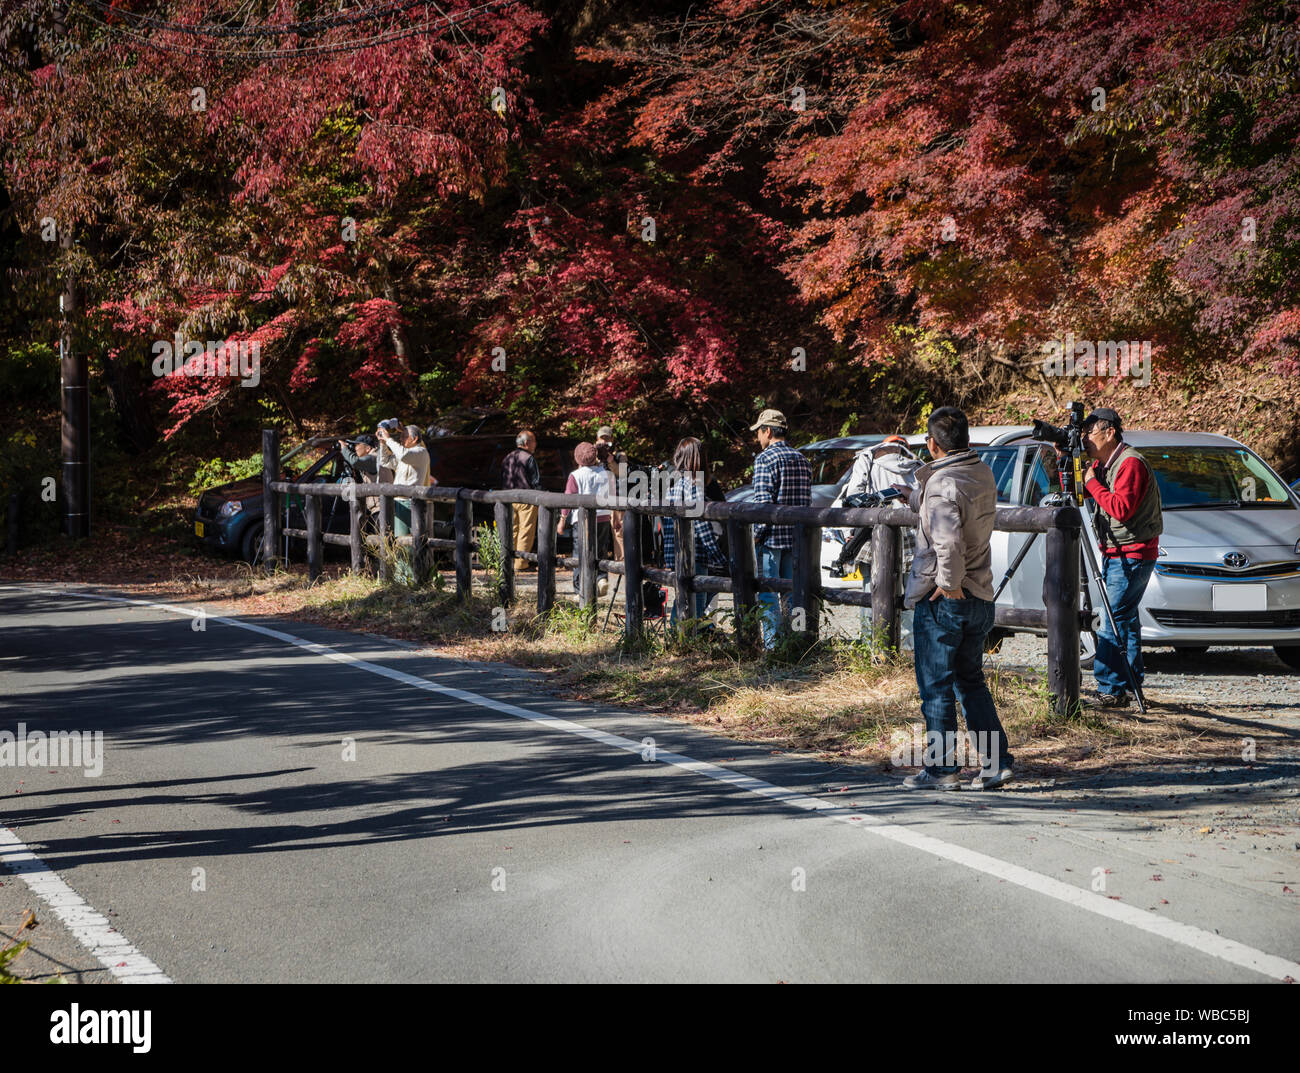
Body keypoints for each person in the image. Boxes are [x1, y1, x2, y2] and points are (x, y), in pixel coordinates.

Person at [900, 406, 1013, 791]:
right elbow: (956, 510)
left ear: (933, 444)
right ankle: (996, 763)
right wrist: (915, 498)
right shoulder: (981, 473)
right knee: (970, 680)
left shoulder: (941, 485)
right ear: (966, 440)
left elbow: (947, 540)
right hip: (981, 592)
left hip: (945, 597)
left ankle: (940, 769)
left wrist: (948, 583)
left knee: (936, 685)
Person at [1080, 407, 1163, 708]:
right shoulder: (1106, 465)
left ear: (1110, 432)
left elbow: (1121, 508)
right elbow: (1081, 494)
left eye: (1090, 433)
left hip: (1132, 554)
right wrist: (1073, 467)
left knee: (1111, 621)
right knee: (1125, 620)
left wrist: (1091, 481)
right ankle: (1129, 685)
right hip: (1119, 551)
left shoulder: (1130, 464)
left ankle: (1110, 690)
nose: (1086, 439)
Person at [841, 435, 922, 636]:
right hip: (911, 536)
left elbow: (853, 497)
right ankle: (906, 649)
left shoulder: (868, 459)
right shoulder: (918, 464)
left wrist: (848, 533)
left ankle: (872, 643)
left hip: (873, 533)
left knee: (872, 591)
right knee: (907, 595)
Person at [748, 408, 812, 649]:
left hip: (772, 538)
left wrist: (755, 536)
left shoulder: (765, 459)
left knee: (767, 593)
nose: (757, 438)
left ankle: (773, 645)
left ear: (767, 431)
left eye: (759, 432)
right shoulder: (802, 460)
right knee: (793, 593)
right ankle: (794, 642)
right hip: (795, 538)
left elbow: (763, 506)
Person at [661, 437, 728, 625]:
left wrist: (668, 556)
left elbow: (667, 522)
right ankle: (685, 641)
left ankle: (677, 640)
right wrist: (716, 555)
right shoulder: (694, 482)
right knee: (695, 604)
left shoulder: (673, 482)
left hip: (676, 551)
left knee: (682, 600)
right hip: (695, 552)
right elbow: (700, 523)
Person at [556, 442, 614, 598]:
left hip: (582, 519)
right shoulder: (606, 473)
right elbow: (613, 497)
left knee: (579, 552)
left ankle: (580, 588)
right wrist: (615, 518)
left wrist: (562, 520)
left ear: (577, 459)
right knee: (601, 550)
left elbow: (568, 499)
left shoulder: (575, 476)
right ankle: (601, 578)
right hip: (603, 517)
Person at [376, 423, 432, 584]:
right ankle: (403, 578)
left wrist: (389, 439)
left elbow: (403, 456)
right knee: (400, 543)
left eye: (404, 437)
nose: (401, 439)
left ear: (415, 439)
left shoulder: (420, 453)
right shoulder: (404, 453)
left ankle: (412, 579)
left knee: (411, 543)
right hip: (400, 502)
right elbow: (386, 461)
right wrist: (382, 443)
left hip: (412, 503)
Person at [502, 430, 541, 571]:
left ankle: (509, 562)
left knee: (512, 531)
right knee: (526, 532)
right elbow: (535, 481)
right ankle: (521, 564)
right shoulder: (528, 458)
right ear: (527, 443)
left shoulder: (508, 457)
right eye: (534, 440)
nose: (535, 444)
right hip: (526, 499)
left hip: (508, 497)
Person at [596, 425, 628, 563]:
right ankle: (598, 566)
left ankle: (621, 565)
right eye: (602, 438)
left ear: (612, 439)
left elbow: (622, 473)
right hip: (598, 500)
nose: (604, 442)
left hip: (617, 499)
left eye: (607, 438)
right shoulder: (593, 453)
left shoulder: (620, 455)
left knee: (619, 533)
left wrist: (610, 460)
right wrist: (595, 455)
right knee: (598, 534)